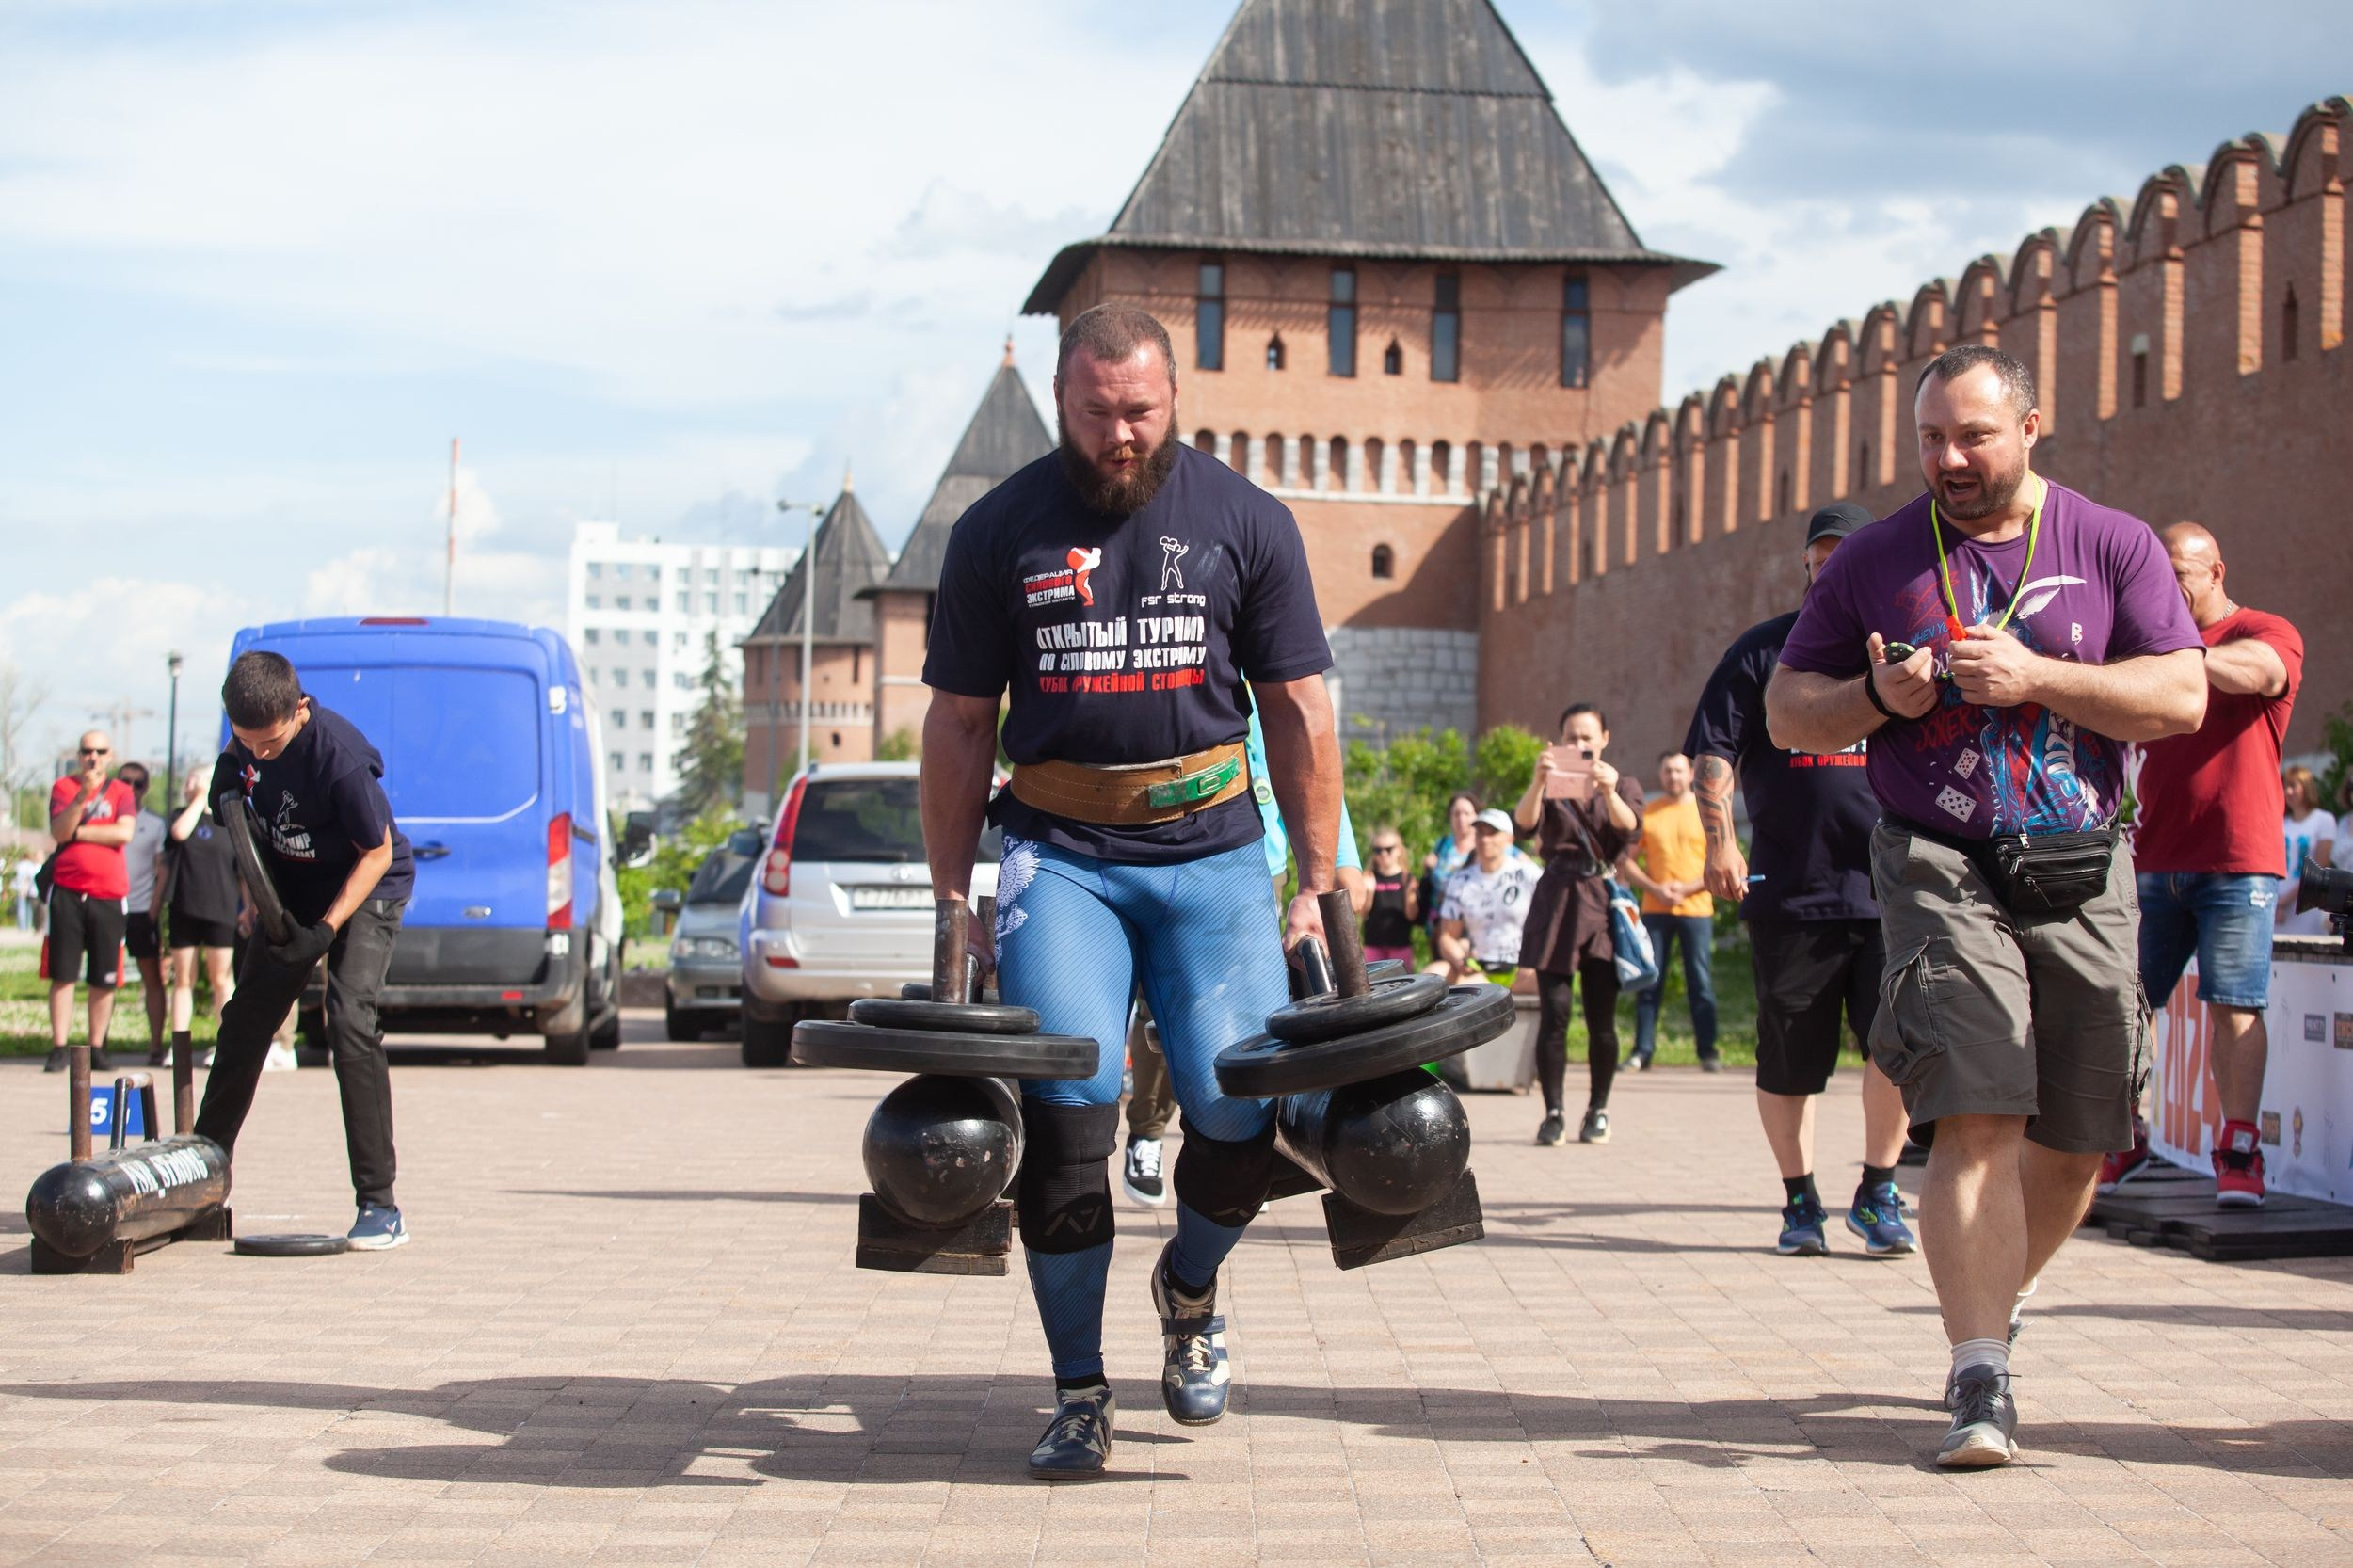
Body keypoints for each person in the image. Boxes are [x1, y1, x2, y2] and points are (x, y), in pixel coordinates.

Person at [919, 303, 1341, 1481]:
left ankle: (1190, 1285)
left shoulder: (1244, 521)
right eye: (1100, 412)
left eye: (1142, 411)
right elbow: (958, 722)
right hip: (1060, 855)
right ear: (1063, 399)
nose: (1122, 434)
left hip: (1211, 856)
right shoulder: (997, 530)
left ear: (1174, 398)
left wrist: (1316, 881)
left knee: (1232, 1104)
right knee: (1073, 1103)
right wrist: (952, 892)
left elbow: (1302, 705)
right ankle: (1076, 1390)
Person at [1768, 344, 2204, 1469]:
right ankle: (1979, 1372)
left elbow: (2180, 692)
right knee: (1976, 1109)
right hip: (1936, 858)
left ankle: (1992, 1305)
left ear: (2030, 427)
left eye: (1971, 436)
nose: (1947, 460)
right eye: (1928, 439)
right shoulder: (1872, 559)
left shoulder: (2108, 543)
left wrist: (2041, 678)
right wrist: (1875, 695)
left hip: (2079, 862)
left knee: (2078, 1134)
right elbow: (1786, 712)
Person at [1688, 500, 1917, 1259]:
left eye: (1843, 561)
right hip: (1792, 890)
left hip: (1894, 891)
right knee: (1791, 1060)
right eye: (1819, 562)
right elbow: (1714, 752)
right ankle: (1800, 1201)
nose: (1829, 574)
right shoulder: (1764, 654)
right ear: (1806, 570)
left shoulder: (1901, 653)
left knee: (1897, 1048)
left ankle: (1879, 1189)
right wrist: (1720, 842)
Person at [197, 650, 417, 1249]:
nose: (258, 753)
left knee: (348, 1019)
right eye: (247, 743)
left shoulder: (337, 759)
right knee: (244, 1024)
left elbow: (375, 854)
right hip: (293, 889)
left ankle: (380, 1205)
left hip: (368, 885)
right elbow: (241, 805)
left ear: (298, 709)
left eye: (270, 744)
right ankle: (201, 1181)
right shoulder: (246, 736)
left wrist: (325, 932)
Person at [2122, 521, 2301, 1208]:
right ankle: (2123, 1138)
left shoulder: (2264, 629)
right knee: (2128, 1006)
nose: (2164, 587)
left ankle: (2239, 1151)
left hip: (2236, 860)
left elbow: (2264, 672)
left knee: (2235, 1005)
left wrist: (2176, 651)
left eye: (2178, 574)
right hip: (2152, 857)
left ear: (2216, 571)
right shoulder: (2153, 643)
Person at [1124, 701, 1363, 1208]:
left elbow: (1311, 757)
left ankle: (1247, 1143)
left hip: (1261, 862)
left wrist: (1343, 857)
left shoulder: (1270, 670)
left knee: (1248, 1008)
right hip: (1161, 852)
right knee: (1163, 1006)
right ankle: (1147, 1132)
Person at [1513, 703, 1643, 1147]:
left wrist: (1609, 793)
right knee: (1555, 1014)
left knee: (1601, 1018)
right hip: (1556, 900)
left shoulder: (1623, 783)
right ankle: (1553, 1113)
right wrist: (1537, 780)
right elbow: (1523, 825)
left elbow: (1630, 829)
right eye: (1571, 737)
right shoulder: (1551, 784)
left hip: (1600, 902)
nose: (1579, 745)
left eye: (1587, 737)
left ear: (1605, 737)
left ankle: (1599, 1109)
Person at [1621, 752, 1720, 1072]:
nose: (1673, 777)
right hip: (1656, 909)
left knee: (1700, 982)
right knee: (1650, 982)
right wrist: (1655, 889)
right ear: (1661, 775)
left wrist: (1688, 888)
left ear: (1690, 773)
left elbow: (1718, 859)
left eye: (1678, 770)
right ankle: (1642, 1051)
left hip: (1697, 909)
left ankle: (1708, 1052)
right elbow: (1627, 862)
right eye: (1667, 771)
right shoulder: (1651, 812)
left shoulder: (1706, 812)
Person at [45, 730, 136, 1074]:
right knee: (63, 973)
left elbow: (123, 833)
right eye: (87, 751)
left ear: (110, 756)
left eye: (100, 751)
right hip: (68, 891)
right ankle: (58, 1046)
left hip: (108, 893)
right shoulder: (64, 788)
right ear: (79, 755)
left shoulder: (121, 792)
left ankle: (97, 1046)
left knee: (103, 975)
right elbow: (59, 831)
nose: (93, 757)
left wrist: (80, 832)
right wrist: (83, 796)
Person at [162, 768, 246, 1066]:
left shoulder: (229, 821)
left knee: (221, 979)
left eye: (194, 781)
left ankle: (228, 1046)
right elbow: (178, 834)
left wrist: (247, 908)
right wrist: (198, 801)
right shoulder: (179, 816)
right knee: (183, 979)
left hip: (221, 910)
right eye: (187, 782)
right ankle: (179, 1045)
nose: (188, 786)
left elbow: (242, 873)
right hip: (184, 909)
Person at [1430, 808, 1541, 984]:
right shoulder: (1460, 880)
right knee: (1433, 974)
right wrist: (1460, 960)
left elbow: (1552, 923)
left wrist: (1537, 957)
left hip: (1522, 970)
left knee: (1550, 981)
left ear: (1509, 839)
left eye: (1492, 833)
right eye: (1480, 833)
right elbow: (1447, 936)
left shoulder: (1529, 875)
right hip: (1479, 971)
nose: (1484, 839)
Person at [114, 761, 170, 1066]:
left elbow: (162, 867)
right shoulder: (106, 820)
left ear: (145, 788)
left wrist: (155, 905)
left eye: (137, 783)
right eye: (125, 782)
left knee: (153, 978)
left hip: (141, 909)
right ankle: (98, 1043)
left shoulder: (155, 824)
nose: (131, 789)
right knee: (104, 978)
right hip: (110, 905)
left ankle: (154, 1044)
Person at [2277, 765, 2335, 936]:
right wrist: (2274, 903)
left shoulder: (2323, 820)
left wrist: (2285, 900)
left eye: (2293, 786)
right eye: (2285, 786)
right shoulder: (2281, 823)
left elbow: (2320, 867)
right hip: (2278, 910)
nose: (2288, 791)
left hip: (2306, 906)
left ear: (2306, 786)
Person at [1419, 792, 1481, 945]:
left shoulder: (1485, 844)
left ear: (1477, 816)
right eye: (1456, 814)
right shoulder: (1443, 844)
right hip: (1439, 922)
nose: (1461, 819)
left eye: (1467, 813)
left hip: (1472, 924)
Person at [1361, 826, 1418, 966]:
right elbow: (1363, 913)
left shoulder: (1407, 878)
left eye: (1389, 849)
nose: (1383, 854)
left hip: (1400, 944)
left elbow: (1412, 916)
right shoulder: (1369, 876)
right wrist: (1369, 892)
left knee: (1401, 984)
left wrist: (1410, 894)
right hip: (1374, 944)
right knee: (1373, 985)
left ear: (1398, 850)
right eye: (1378, 850)